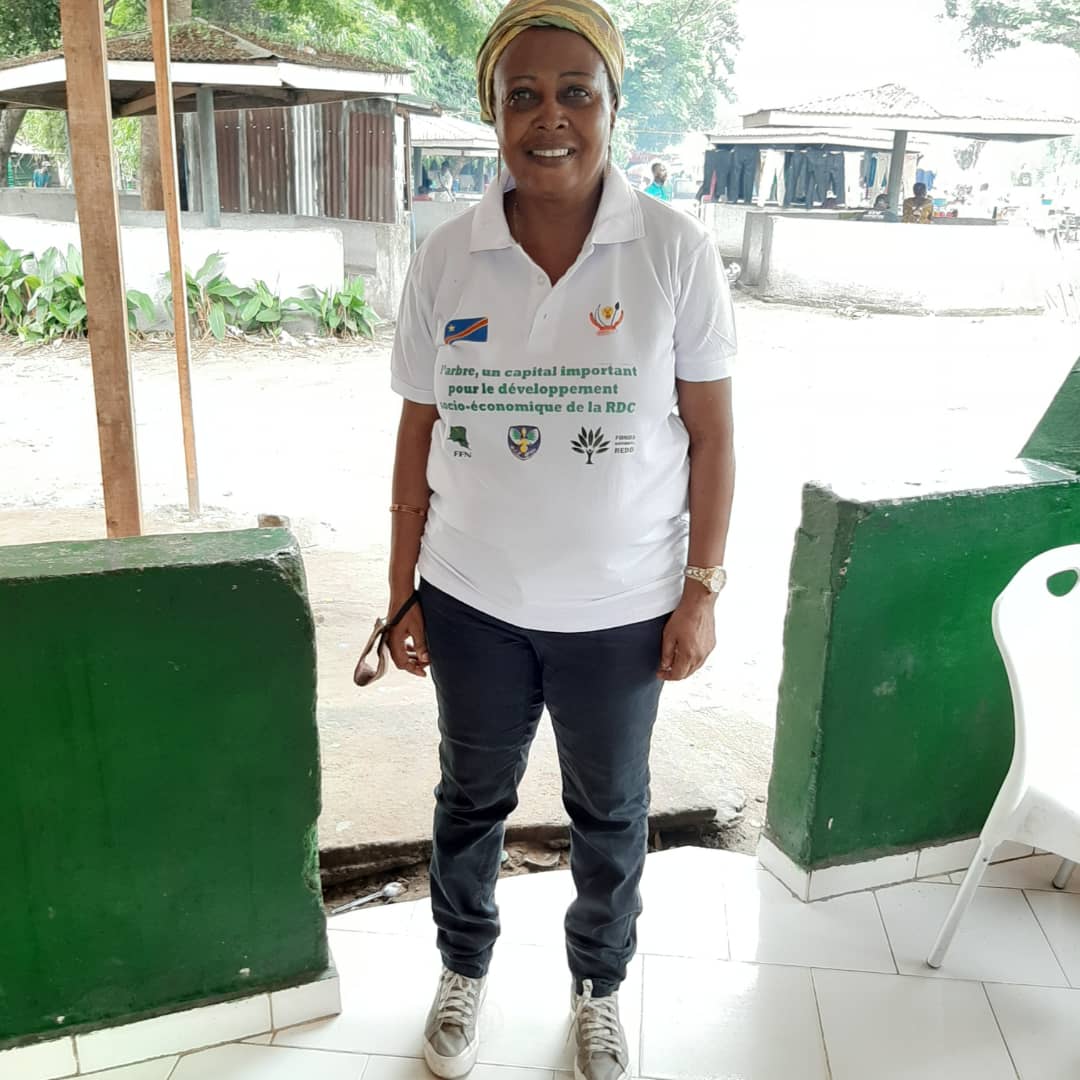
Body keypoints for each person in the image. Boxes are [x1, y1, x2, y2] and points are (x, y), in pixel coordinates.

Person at [379, 2, 735, 1078]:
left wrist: (700, 590)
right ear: (492, 112)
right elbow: (417, 429)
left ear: (613, 107)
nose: (549, 117)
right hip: (474, 599)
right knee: (471, 799)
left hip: (620, 613)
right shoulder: (447, 257)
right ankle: (464, 968)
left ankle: (598, 985)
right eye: (520, 94)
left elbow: (714, 439)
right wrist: (403, 591)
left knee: (609, 811)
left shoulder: (674, 252)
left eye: (576, 91)